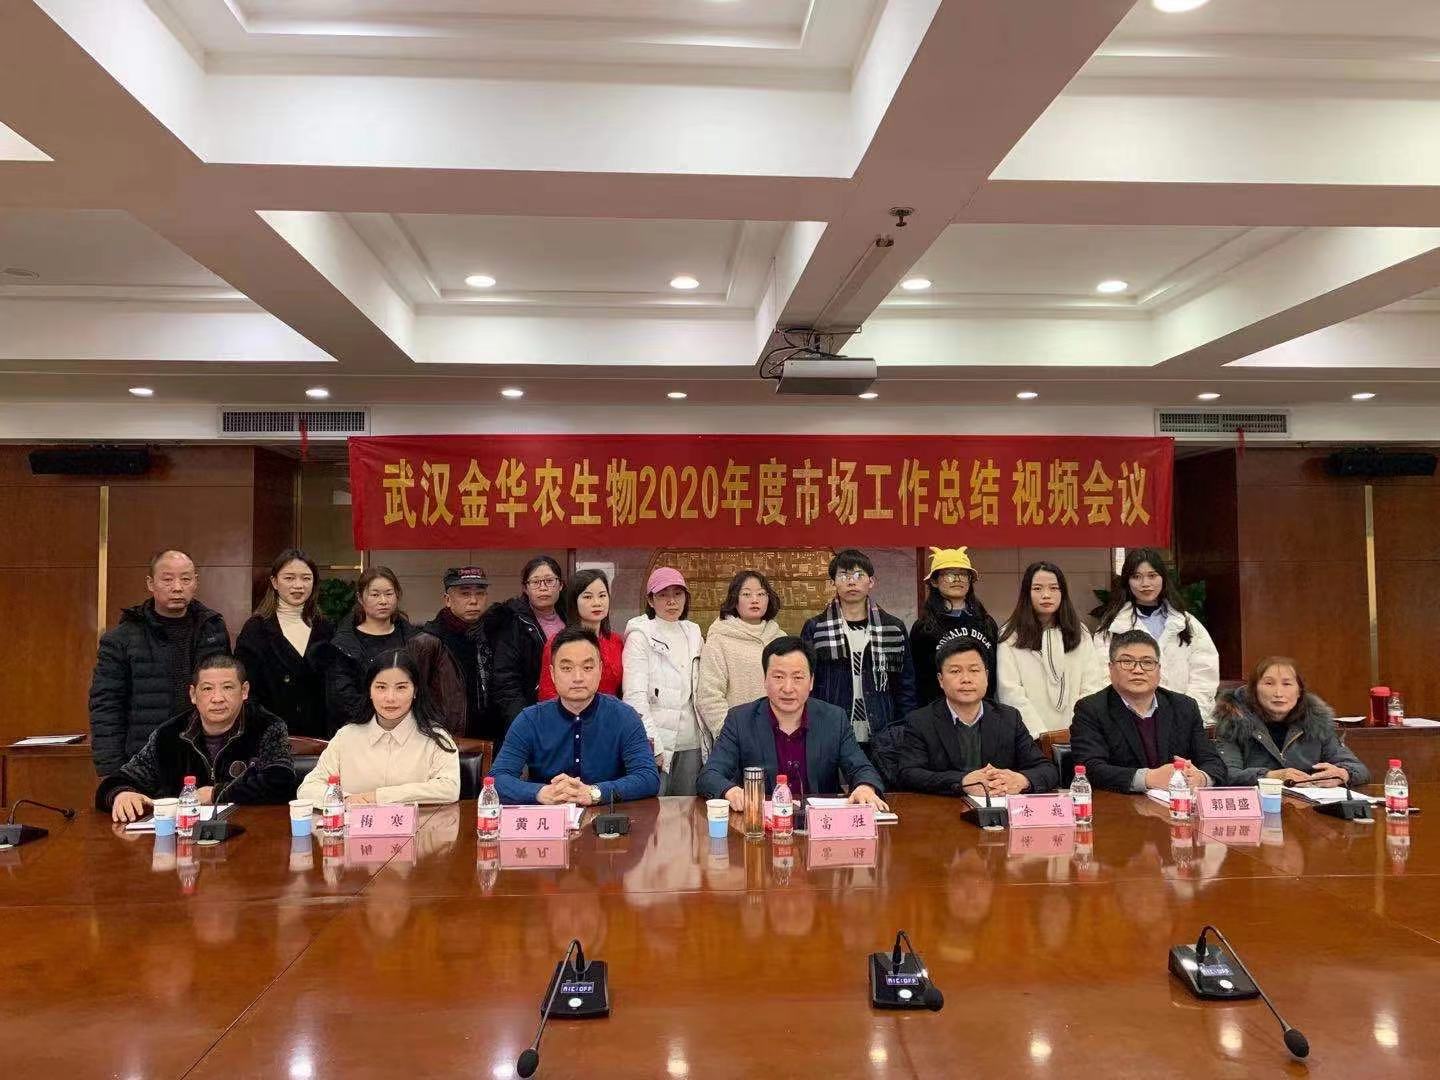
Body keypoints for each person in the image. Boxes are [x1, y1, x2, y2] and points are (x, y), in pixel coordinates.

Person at [697, 637, 888, 811]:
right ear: (765, 680)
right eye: (778, 677)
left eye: (797, 678)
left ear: (811, 682)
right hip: (762, 826)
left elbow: (862, 768)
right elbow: (709, 775)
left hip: (819, 825)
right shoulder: (740, 720)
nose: (788, 688)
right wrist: (730, 791)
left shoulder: (833, 719)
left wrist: (865, 786)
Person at [97, 654, 295, 822]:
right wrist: (121, 794)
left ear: (244, 691)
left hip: (250, 835)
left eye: (227, 687)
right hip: (182, 840)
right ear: (193, 694)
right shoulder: (169, 735)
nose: (217, 698)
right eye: (207, 689)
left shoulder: (267, 726)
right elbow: (116, 781)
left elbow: (282, 783)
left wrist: (216, 793)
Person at [88, 548, 231, 777]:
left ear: (196, 582)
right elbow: (106, 706)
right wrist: (112, 772)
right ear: (150, 583)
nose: (177, 587)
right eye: (167, 579)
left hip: (206, 758)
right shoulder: (122, 638)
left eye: (186, 579)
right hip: (144, 762)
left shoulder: (213, 629)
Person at [491, 627, 660, 804]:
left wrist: (595, 792)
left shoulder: (624, 717)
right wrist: (540, 792)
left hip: (607, 817)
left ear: (600, 670)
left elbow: (648, 778)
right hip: (549, 817)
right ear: (552, 674)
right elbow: (497, 779)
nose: (578, 677)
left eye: (587, 667)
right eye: (566, 668)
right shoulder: (530, 720)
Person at [1070, 629, 1226, 793]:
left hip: (1177, 802)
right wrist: (1149, 778)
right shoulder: (1091, 709)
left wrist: (1200, 778)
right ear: (1111, 668)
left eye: (1147, 662)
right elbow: (1090, 768)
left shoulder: (1184, 707)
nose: (1138, 670)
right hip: (1121, 804)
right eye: (1127, 662)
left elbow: (1213, 762)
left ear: (1159, 669)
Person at [897, 638, 1058, 797]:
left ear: (986, 676)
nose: (966, 679)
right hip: (945, 808)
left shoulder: (1009, 718)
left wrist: (1022, 780)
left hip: (999, 807)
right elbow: (909, 773)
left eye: (974, 670)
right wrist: (962, 782)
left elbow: (1047, 769)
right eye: (955, 671)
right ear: (940, 680)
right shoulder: (921, 721)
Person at [298, 650, 460, 805]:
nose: (390, 698)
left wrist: (379, 796)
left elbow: (449, 789)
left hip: (420, 824)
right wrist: (345, 799)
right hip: (355, 823)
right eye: (381, 687)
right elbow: (308, 788)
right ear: (369, 690)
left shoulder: (436, 738)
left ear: (415, 691)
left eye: (401, 687)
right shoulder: (346, 737)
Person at [800, 548, 916, 756]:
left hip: (883, 729)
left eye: (858, 575)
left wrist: (904, 729)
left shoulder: (893, 627)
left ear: (871, 582)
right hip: (830, 728)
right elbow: (807, 683)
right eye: (844, 575)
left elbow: (906, 685)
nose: (851, 582)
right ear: (833, 582)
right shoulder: (816, 628)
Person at [1092, 548, 1219, 722]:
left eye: (1152, 576)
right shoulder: (1112, 626)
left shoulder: (1187, 623)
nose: (1145, 583)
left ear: (1163, 578)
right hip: (1129, 720)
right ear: (1127, 581)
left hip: (1182, 719)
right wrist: (1131, 714)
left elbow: (1205, 673)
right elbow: (1103, 676)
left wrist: (1187, 714)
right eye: (1136, 577)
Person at [1214, 657, 1368, 787]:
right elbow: (1225, 774)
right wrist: (1270, 776)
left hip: (1308, 806)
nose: (1278, 693)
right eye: (1269, 684)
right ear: (1254, 690)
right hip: (1260, 806)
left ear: (1299, 691)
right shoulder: (1234, 723)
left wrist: (1343, 774)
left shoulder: (1316, 722)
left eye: (1287, 684)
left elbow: (1359, 769)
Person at [997, 561, 1106, 738]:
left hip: (1078, 735)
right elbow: (1010, 693)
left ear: (1063, 592)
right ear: (1026, 593)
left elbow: (1091, 686)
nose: (1046, 595)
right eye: (1037, 588)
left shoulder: (1080, 632)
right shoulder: (1010, 635)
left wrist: (1076, 731)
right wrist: (1041, 736)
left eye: (1054, 588)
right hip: (1028, 738)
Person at [234, 548, 334, 739]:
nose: (298, 585)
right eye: (289, 578)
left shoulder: (325, 627)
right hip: (269, 736)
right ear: (274, 582)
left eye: (306, 578)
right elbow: (245, 689)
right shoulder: (256, 629)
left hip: (320, 737)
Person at [622, 567, 704, 796]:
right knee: (654, 809)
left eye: (677, 594)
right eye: (663, 595)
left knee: (688, 809)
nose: (671, 601)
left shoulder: (693, 633)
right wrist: (653, 743)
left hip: (691, 742)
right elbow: (634, 696)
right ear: (650, 600)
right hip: (657, 740)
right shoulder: (640, 635)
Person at [695, 570, 785, 751]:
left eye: (761, 594)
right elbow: (709, 696)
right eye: (746, 594)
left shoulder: (780, 638)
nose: (755, 600)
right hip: (737, 742)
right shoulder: (719, 640)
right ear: (734, 599)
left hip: (780, 738)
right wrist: (731, 737)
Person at [324, 566, 418, 735]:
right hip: (358, 731)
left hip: (408, 730)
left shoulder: (414, 640)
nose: (383, 601)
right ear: (360, 598)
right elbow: (342, 697)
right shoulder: (343, 644)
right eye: (375, 595)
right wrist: (380, 722)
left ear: (397, 595)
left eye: (389, 594)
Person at [483, 555, 566, 736]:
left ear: (560, 585)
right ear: (525, 588)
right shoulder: (512, 622)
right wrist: (524, 723)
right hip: (532, 716)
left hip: (568, 712)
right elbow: (506, 681)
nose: (543, 587)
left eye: (549, 581)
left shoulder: (571, 618)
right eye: (535, 582)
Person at [909, 547, 999, 706]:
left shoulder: (986, 622)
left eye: (963, 575)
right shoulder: (924, 627)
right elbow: (917, 678)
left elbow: (994, 671)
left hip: (983, 709)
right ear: (934, 582)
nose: (957, 579)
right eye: (949, 575)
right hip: (938, 711)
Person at [408, 566, 491, 739]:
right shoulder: (427, 642)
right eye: (465, 594)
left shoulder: (493, 634)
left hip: (490, 739)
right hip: (444, 739)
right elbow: (412, 698)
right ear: (447, 600)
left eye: (480, 593)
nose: (474, 601)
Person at [538, 568, 623, 700]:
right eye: (588, 597)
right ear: (574, 601)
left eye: (602, 595)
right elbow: (547, 694)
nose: (597, 603)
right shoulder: (558, 643)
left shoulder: (616, 641)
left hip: (611, 710)